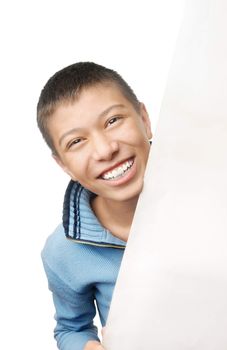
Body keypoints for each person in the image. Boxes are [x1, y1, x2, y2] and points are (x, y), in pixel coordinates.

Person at [37, 62, 153, 350]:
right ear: (64, 165)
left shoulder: (214, 191)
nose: (105, 150)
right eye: (76, 141)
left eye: (113, 121)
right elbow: (71, 328)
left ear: (144, 118)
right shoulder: (63, 251)